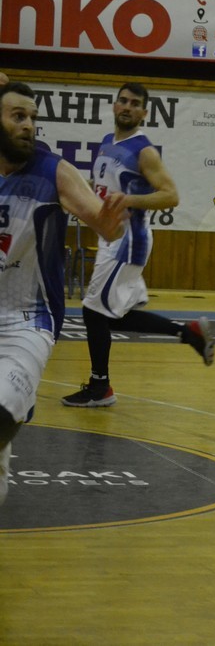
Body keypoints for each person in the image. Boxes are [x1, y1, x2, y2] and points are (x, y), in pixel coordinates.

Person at [1, 79, 129, 505]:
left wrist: (111, 221)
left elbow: (103, 222)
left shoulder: (52, 170)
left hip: (26, 321)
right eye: (18, 116)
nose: (28, 125)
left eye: (33, 118)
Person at [61, 83, 214, 409]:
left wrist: (129, 200)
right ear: (115, 106)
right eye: (123, 101)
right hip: (110, 237)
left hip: (128, 240)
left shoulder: (145, 151)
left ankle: (100, 387)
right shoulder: (107, 142)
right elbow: (102, 188)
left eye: (135, 103)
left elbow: (171, 195)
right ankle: (188, 333)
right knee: (112, 315)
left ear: (144, 113)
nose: (127, 107)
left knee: (92, 311)